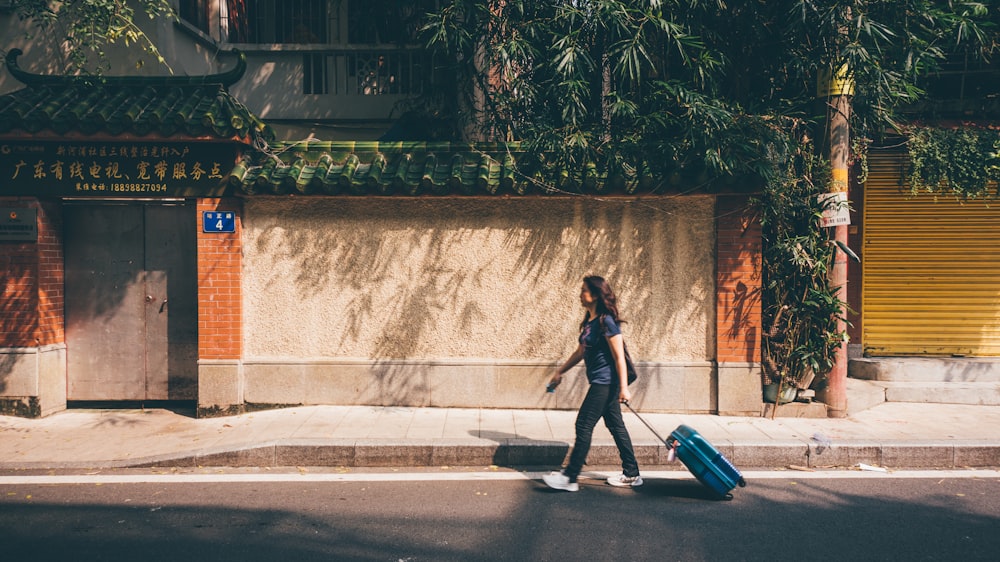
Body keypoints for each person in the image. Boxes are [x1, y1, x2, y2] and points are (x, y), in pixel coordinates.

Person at [542, 275, 642, 492]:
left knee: (583, 424)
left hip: (605, 383)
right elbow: (580, 352)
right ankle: (632, 472)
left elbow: (618, 357)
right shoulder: (590, 321)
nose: (580, 294)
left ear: (596, 295)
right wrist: (560, 371)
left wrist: (624, 387)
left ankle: (570, 477)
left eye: (584, 290)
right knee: (616, 425)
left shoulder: (606, 321)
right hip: (602, 382)